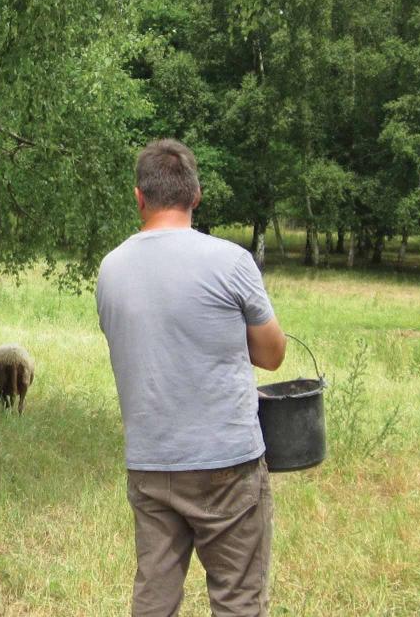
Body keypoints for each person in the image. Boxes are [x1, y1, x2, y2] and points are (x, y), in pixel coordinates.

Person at [96, 138, 286, 617]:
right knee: (238, 598)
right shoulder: (231, 262)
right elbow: (273, 354)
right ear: (196, 195)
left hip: (151, 462)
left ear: (138, 197)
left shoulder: (111, 269)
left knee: (154, 597)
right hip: (226, 464)